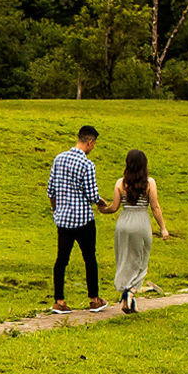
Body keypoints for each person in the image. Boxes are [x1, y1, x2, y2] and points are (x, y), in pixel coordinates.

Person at [45, 125, 113, 314]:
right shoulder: (87, 164)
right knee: (89, 257)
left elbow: (51, 190)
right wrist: (101, 202)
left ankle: (59, 301)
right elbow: (91, 195)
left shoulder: (59, 159)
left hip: (63, 219)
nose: (93, 148)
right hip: (83, 220)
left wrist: (55, 210)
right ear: (90, 142)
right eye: (94, 144)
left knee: (61, 259)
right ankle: (94, 299)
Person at [111, 149, 171, 314]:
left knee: (124, 260)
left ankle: (127, 301)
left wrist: (103, 207)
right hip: (141, 222)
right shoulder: (149, 182)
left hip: (123, 223)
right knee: (140, 261)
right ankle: (130, 292)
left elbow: (114, 207)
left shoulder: (120, 183)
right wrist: (163, 228)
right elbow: (155, 207)